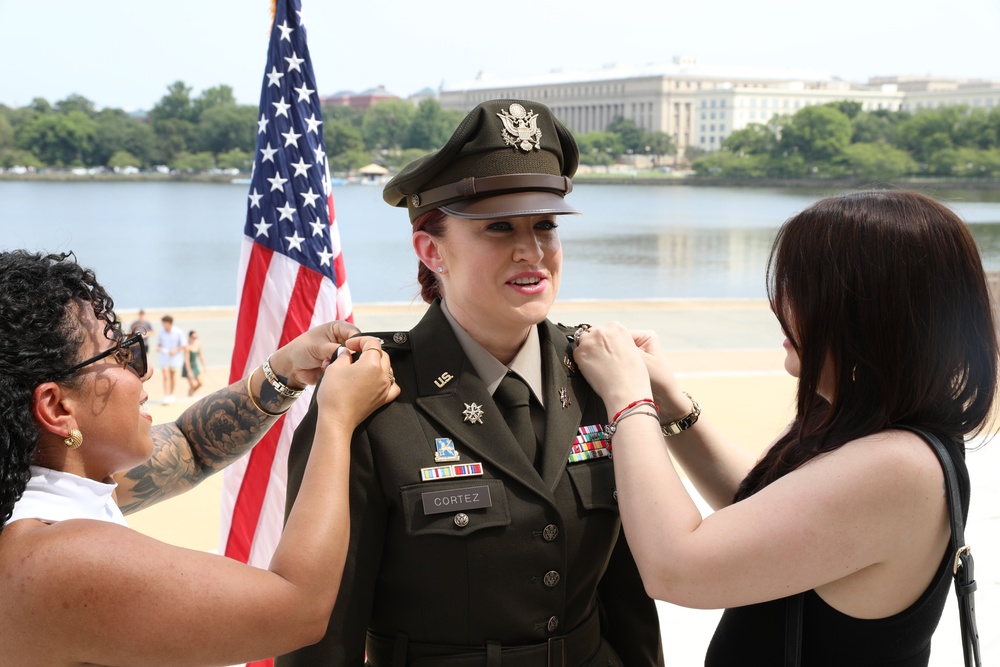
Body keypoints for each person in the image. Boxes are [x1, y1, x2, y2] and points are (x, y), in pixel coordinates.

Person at [279, 99, 663, 667]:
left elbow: (629, 592)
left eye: (545, 226)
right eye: (498, 227)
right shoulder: (368, 394)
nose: (531, 250)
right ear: (432, 250)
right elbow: (323, 628)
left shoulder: (600, 374)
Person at [571, 190, 998, 666]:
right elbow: (763, 509)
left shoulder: (898, 465)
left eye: (802, 286)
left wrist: (628, 399)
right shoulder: (887, 425)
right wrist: (672, 405)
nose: (778, 301)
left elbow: (675, 569)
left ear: (867, 310)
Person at [0, 250, 399, 666]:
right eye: (122, 355)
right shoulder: (61, 559)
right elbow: (300, 609)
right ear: (57, 408)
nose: (144, 371)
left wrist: (286, 370)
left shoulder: (33, 498)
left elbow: (191, 447)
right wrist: (336, 418)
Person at [157, 314, 185, 403]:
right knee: (166, 376)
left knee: (173, 376)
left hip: (175, 358)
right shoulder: (161, 332)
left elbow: (184, 344)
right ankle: (166, 395)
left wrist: (176, 350)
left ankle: (172, 394)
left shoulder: (178, 331)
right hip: (164, 357)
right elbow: (158, 344)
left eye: (164, 323)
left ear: (169, 323)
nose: (163, 325)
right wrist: (159, 348)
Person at [182, 329, 207, 396]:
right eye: (193, 337)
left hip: (194, 365)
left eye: (196, 337)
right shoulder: (187, 347)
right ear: (190, 337)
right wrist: (189, 371)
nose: (195, 339)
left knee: (200, 383)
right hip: (188, 366)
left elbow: (200, 355)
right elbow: (186, 360)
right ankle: (190, 395)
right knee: (192, 385)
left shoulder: (198, 344)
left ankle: (190, 395)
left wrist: (204, 365)